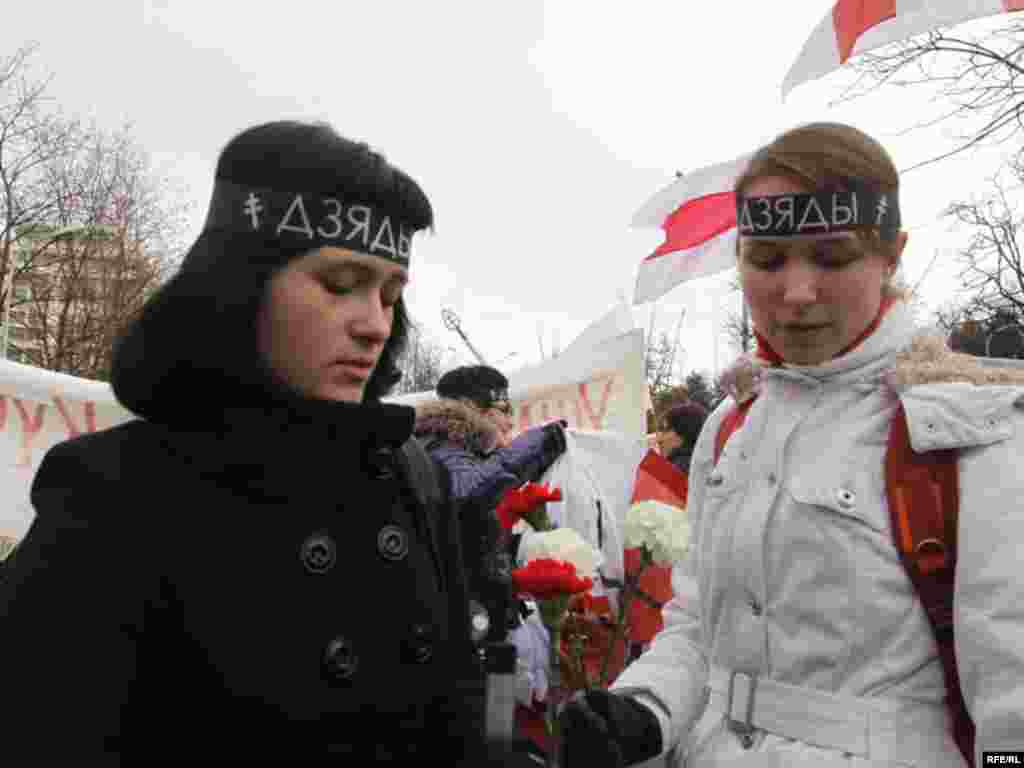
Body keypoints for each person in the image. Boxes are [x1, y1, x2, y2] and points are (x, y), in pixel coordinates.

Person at [0, 120, 538, 765]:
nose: (374, 325)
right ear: (241, 287)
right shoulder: (115, 489)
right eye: (340, 284)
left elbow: (458, 709)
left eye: (390, 295)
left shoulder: (412, 475)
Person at [559, 122, 1024, 767]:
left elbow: (1012, 691)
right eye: (768, 259)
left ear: (892, 256)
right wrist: (643, 710)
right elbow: (698, 624)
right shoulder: (730, 428)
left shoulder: (966, 430)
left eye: (833, 258)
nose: (797, 293)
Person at [414, 365, 567, 643]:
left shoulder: (462, 452)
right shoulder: (439, 447)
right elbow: (467, 493)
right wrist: (539, 443)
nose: (510, 421)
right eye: (505, 409)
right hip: (462, 626)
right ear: (473, 408)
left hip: (477, 615)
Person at [657, 401, 709, 477]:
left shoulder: (676, 471)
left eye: (666, 430)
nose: (659, 439)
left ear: (684, 433)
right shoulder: (708, 467)